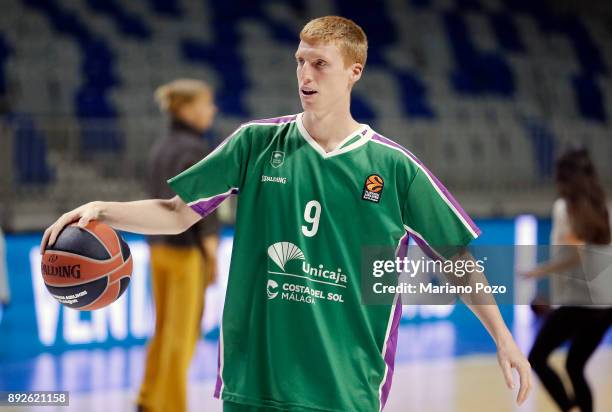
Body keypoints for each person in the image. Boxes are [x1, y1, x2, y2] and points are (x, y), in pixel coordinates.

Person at [41, 16, 531, 412]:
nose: (304, 75)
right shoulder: (257, 142)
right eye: (300, 61)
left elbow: (454, 257)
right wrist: (102, 208)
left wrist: (504, 338)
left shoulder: (394, 167)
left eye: (319, 63)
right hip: (253, 384)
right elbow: (175, 213)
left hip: (344, 390)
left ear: (354, 70)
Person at [136, 79, 221, 412]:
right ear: (186, 108)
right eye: (206, 103)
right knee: (181, 335)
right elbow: (201, 206)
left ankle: (148, 395)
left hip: (158, 249)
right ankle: (170, 405)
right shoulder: (195, 149)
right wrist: (211, 252)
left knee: (161, 328)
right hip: (186, 251)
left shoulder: (160, 147)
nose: (211, 110)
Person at [523, 147, 612, 412]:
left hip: (580, 304)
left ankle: (568, 407)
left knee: (537, 357)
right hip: (605, 307)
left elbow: (574, 258)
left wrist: (539, 271)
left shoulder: (564, 208)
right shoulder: (604, 209)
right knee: (575, 366)